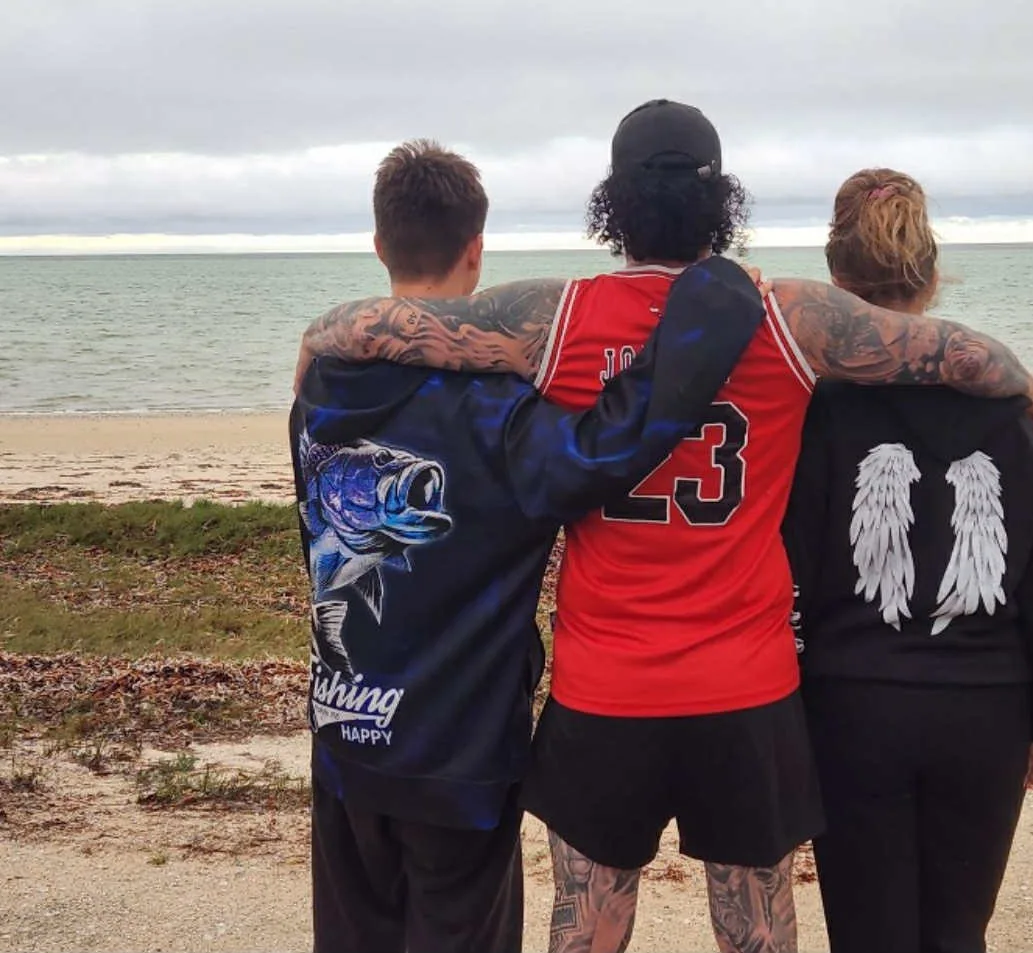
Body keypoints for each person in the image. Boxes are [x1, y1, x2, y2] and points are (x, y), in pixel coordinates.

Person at [293, 101, 1033, 953]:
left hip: (606, 682)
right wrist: (1019, 383)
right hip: (745, 682)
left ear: (613, 203)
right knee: (756, 928)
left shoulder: (554, 317)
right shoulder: (788, 316)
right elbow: (949, 351)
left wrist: (319, 337)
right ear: (722, 201)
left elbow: (401, 330)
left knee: (587, 926)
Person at [294, 139, 770, 953]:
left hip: (344, 734)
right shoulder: (498, 409)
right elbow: (613, 446)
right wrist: (714, 305)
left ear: (379, 244)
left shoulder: (319, 387)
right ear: (476, 251)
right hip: (458, 752)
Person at [782, 168, 1033, 953]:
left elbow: (795, 572)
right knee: (957, 932)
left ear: (837, 277)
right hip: (985, 710)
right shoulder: (1011, 418)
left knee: (867, 935)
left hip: (854, 705)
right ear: (931, 273)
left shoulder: (816, 414)